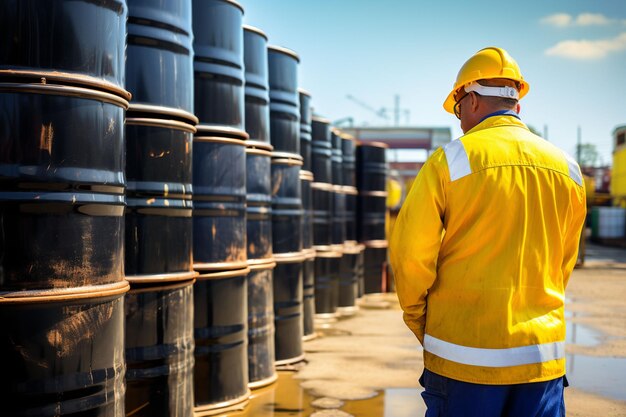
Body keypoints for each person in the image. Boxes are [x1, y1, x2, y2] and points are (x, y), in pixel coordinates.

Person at [389, 47, 586, 417]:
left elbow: (411, 255)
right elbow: (563, 262)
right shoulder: (568, 169)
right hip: (541, 360)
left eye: (459, 107)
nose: (460, 118)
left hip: (463, 360)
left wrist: (421, 321)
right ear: (517, 106)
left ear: (473, 100)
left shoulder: (449, 161)